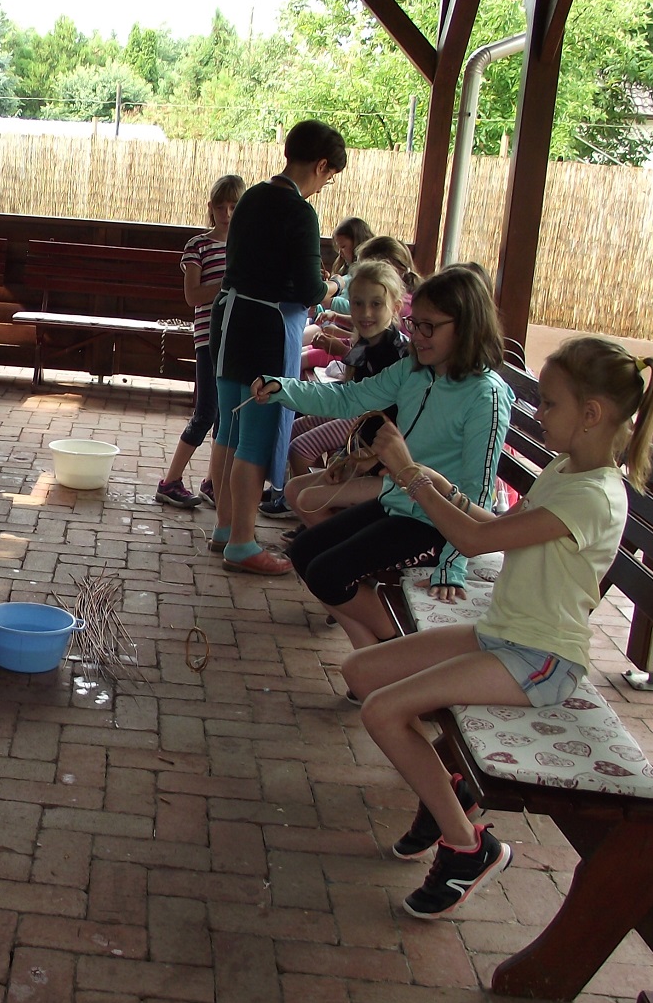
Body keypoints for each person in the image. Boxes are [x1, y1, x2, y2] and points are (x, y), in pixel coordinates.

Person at [340, 337, 653, 918]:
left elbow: (474, 542)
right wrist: (439, 485)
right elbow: (493, 527)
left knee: (382, 711)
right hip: (503, 631)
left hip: (540, 658)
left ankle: (468, 848)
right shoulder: (565, 470)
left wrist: (409, 473)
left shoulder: (595, 496)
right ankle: (449, 793)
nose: (539, 412)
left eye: (551, 403)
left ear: (591, 414)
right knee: (363, 672)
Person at [251, 267, 512, 648]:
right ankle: (376, 654)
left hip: (436, 526)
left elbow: (478, 494)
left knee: (328, 573)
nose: (416, 335)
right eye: (414, 323)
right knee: (305, 552)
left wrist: (451, 566)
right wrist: (282, 388)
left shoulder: (485, 396)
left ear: (466, 326)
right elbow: (349, 398)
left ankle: (396, 652)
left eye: (429, 327)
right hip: (399, 502)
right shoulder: (414, 370)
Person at [207, 120, 345, 574]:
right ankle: (242, 544)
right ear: (320, 165)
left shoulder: (251, 197)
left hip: (229, 320)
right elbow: (308, 289)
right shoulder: (298, 211)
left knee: (229, 430)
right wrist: (335, 287)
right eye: (329, 177)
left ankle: (226, 527)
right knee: (255, 438)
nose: (323, 186)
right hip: (266, 329)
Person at [279, 259, 410, 526]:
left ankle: (333, 540)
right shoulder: (368, 345)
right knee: (295, 490)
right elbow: (361, 412)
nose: (365, 312)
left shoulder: (399, 356)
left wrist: (367, 460)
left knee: (308, 496)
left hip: (392, 466)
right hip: (365, 451)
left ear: (395, 307)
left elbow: (398, 421)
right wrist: (346, 457)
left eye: (376, 304)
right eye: (358, 303)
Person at [157, 173, 243, 510]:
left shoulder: (247, 248)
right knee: (206, 411)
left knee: (227, 415)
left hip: (236, 341)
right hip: (208, 337)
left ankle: (212, 481)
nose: (227, 213)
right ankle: (170, 481)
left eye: (234, 207)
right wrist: (229, 282)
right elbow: (193, 296)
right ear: (211, 207)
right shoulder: (198, 245)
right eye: (221, 207)